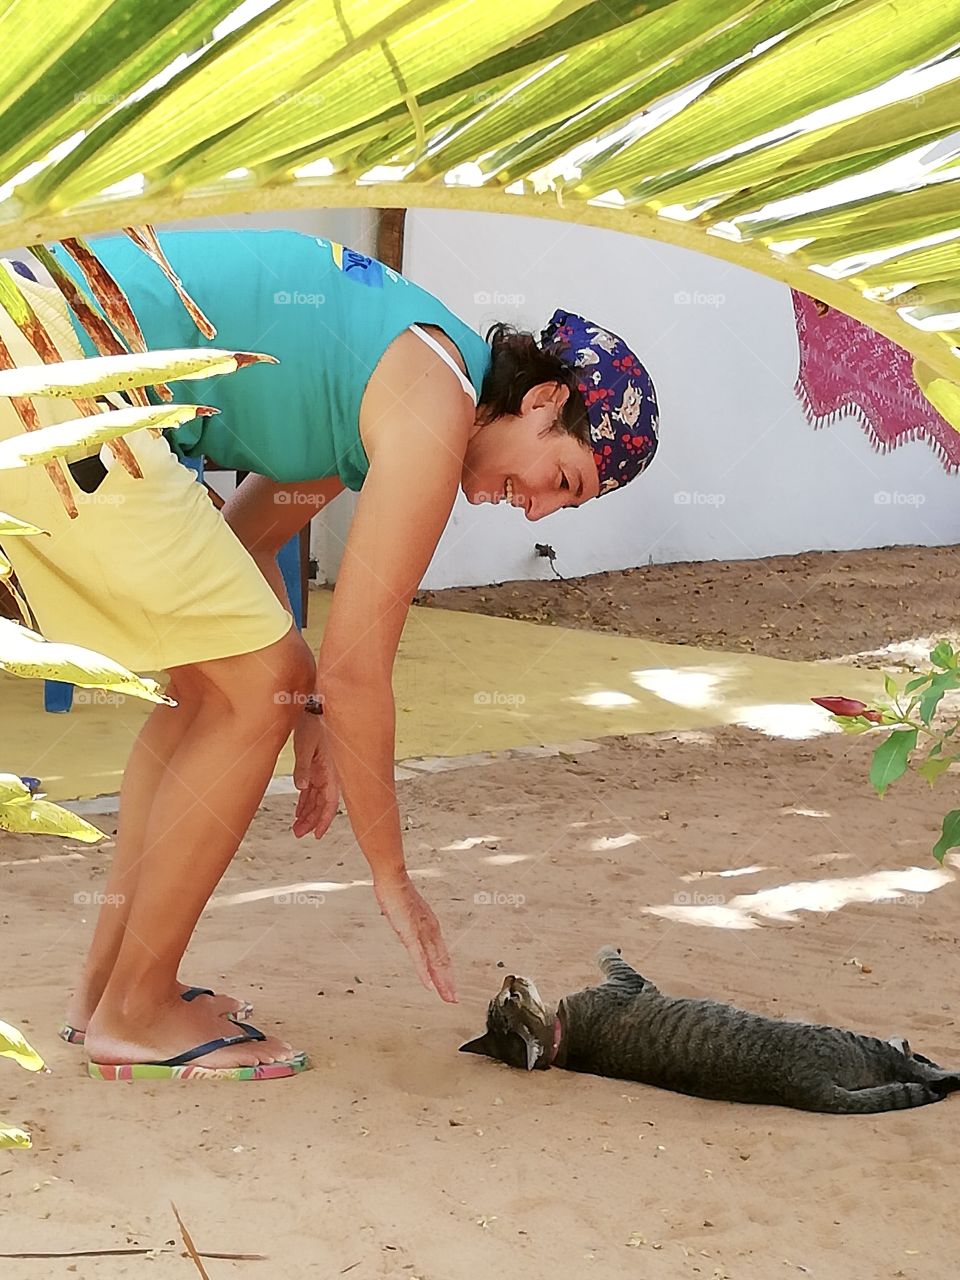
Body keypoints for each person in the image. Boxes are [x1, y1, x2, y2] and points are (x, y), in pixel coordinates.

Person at [0, 229, 659, 1080]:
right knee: (253, 685)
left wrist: (306, 698)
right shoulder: (436, 399)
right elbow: (357, 669)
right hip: (55, 355)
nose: (535, 513)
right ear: (542, 401)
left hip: (38, 336)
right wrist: (392, 875)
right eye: (562, 479)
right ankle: (139, 1007)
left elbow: (238, 557)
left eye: (563, 510)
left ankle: (108, 993)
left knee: (213, 684)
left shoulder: (401, 371)